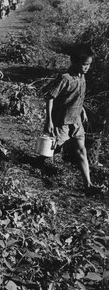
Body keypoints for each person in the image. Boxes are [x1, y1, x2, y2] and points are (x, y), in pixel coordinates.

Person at [44, 45, 103, 197]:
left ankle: (88, 185)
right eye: (84, 64)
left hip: (76, 122)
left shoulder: (82, 77)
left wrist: (81, 109)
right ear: (74, 62)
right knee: (51, 150)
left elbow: (78, 96)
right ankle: (38, 165)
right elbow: (50, 97)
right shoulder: (65, 78)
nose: (87, 68)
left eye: (89, 65)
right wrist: (49, 121)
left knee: (82, 151)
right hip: (62, 122)